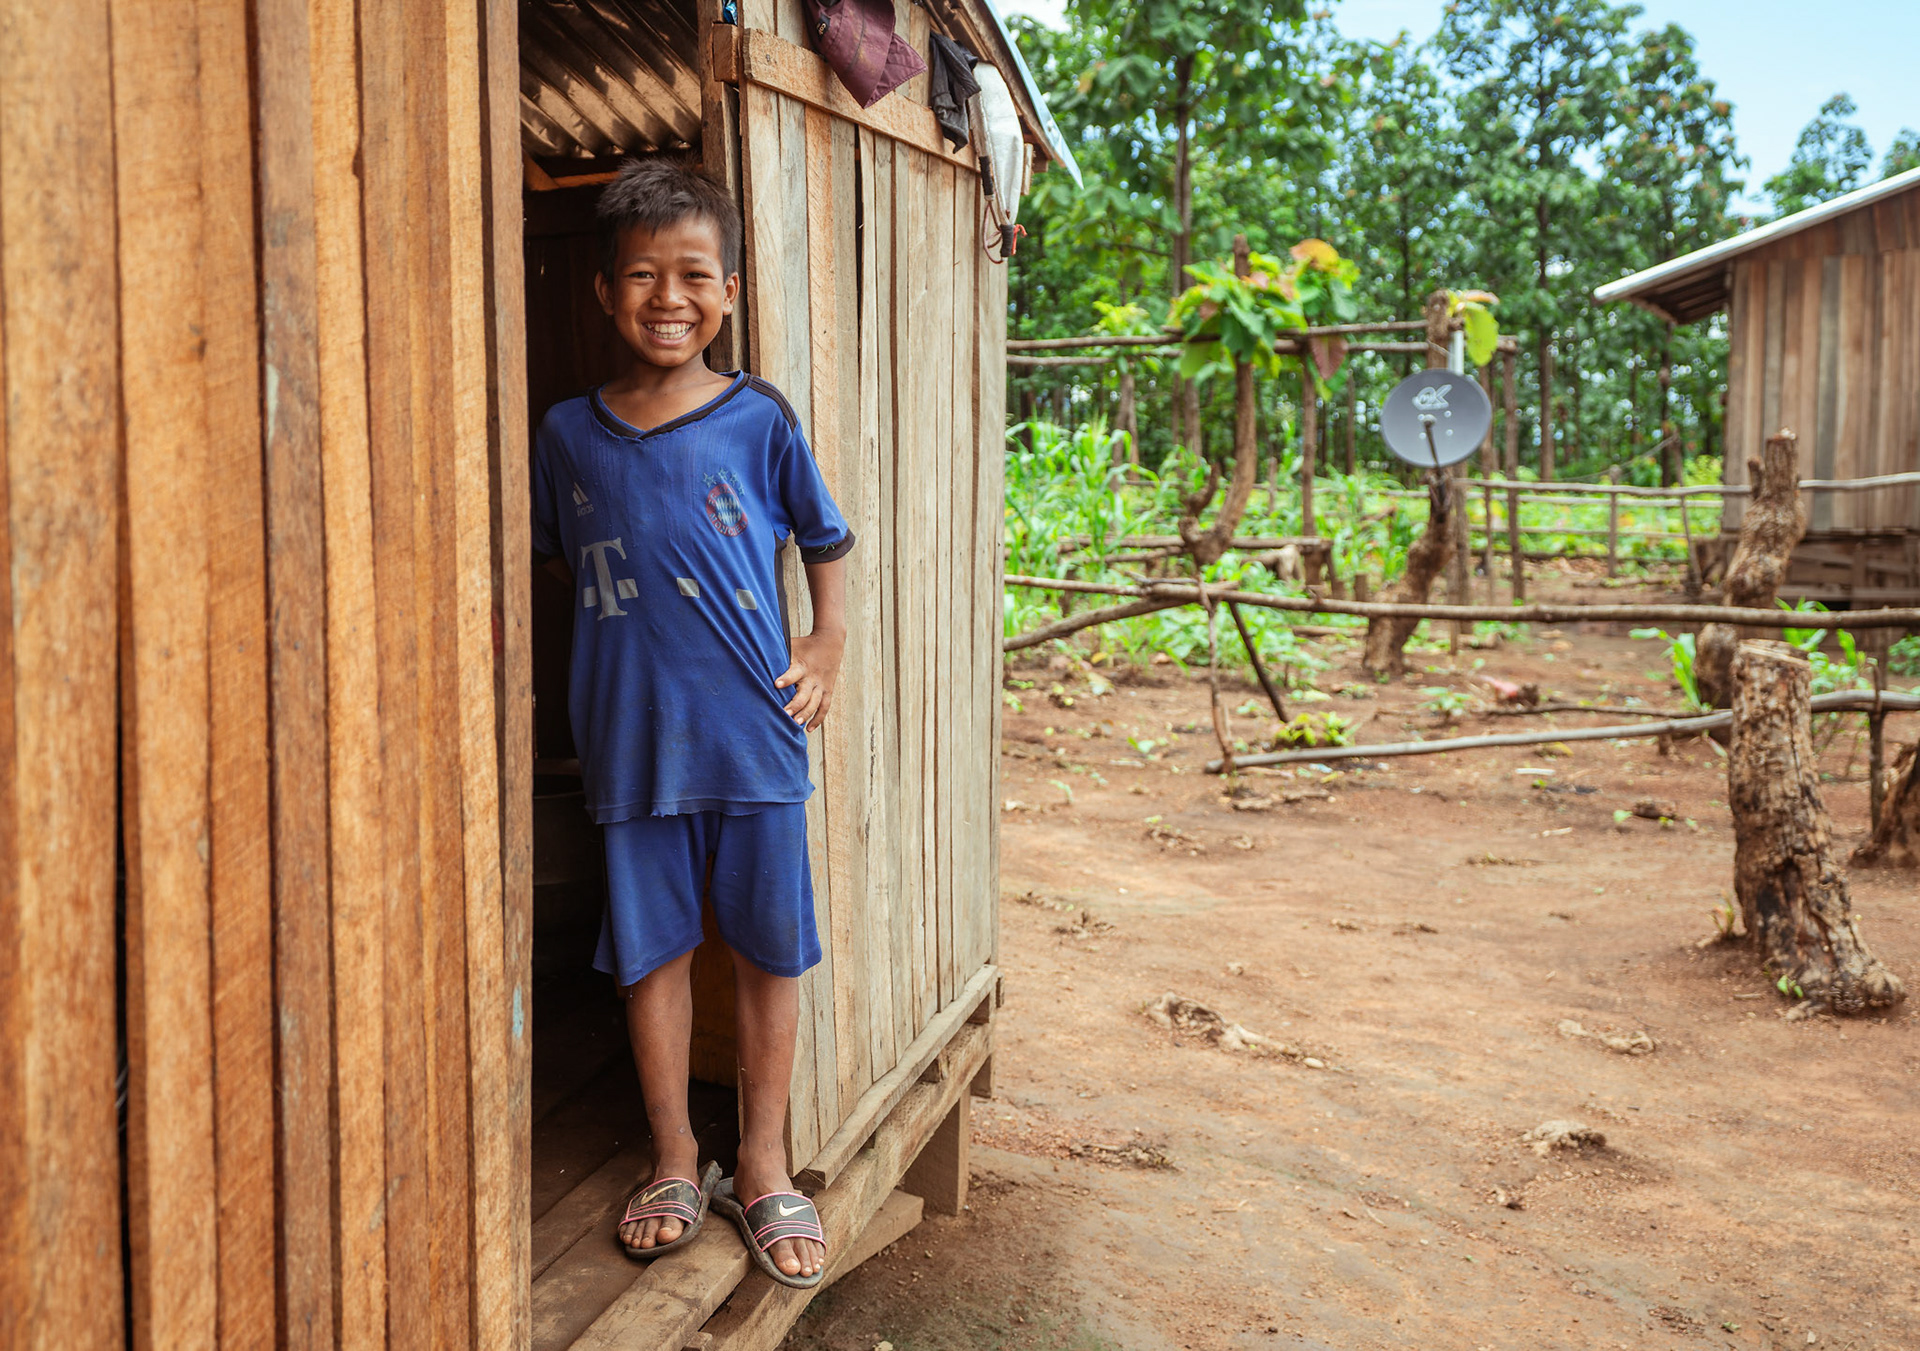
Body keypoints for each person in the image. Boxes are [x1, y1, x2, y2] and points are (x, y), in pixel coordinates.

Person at [529, 158, 851, 1288]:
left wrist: (823, 647)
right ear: (606, 293)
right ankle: (675, 1152)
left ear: (729, 292)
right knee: (652, 953)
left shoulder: (760, 418)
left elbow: (827, 539)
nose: (668, 296)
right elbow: (558, 562)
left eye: (693, 276)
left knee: (768, 950)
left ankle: (763, 1162)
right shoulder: (567, 432)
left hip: (754, 739)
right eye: (642, 276)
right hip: (627, 741)